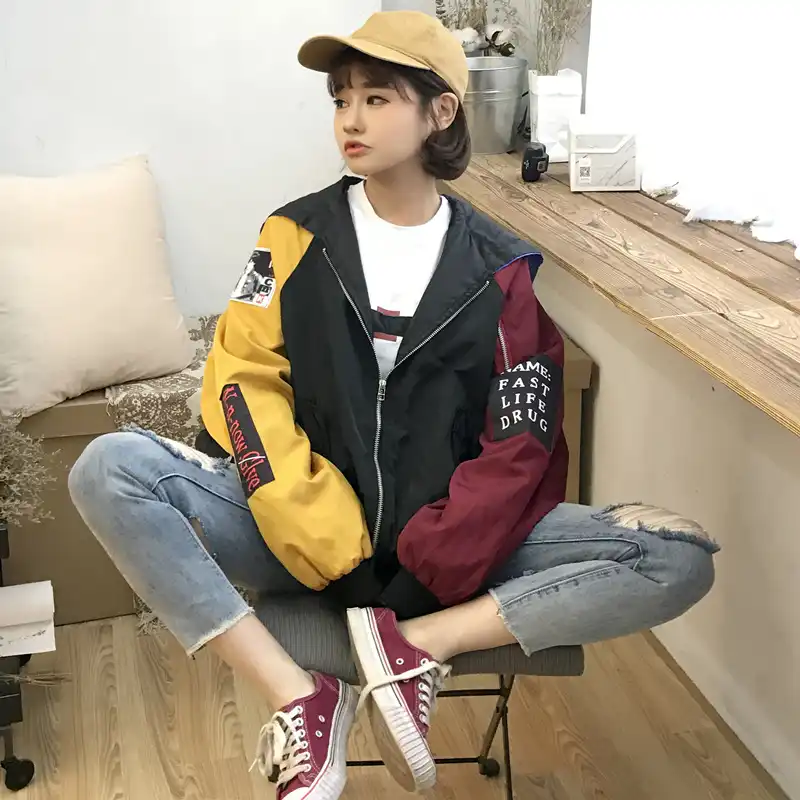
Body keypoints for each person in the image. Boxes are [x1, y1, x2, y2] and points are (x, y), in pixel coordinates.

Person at [68, 11, 719, 800]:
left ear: (440, 111)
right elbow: (240, 380)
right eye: (341, 99)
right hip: (297, 535)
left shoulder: (501, 272)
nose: (350, 119)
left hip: (450, 553)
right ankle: (300, 696)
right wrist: (313, 521)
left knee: (678, 558)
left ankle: (414, 646)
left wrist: (439, 555)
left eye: (376, 98)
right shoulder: (290, 236)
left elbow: (522, 441)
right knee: (109, 469)